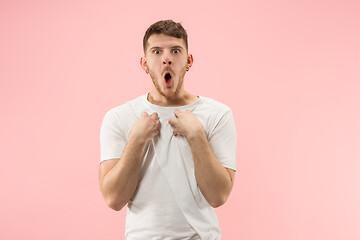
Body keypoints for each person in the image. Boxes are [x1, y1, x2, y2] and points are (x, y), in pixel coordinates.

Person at [99, 20, 236, 240]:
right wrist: (136, 140)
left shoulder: (217, 114)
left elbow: (218, 196)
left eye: (175, 50)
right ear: (144, 63)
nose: (167, 58)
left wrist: (197, 136)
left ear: (189, 61)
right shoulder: (119, 117)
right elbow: (113, 199)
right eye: (156, 51)